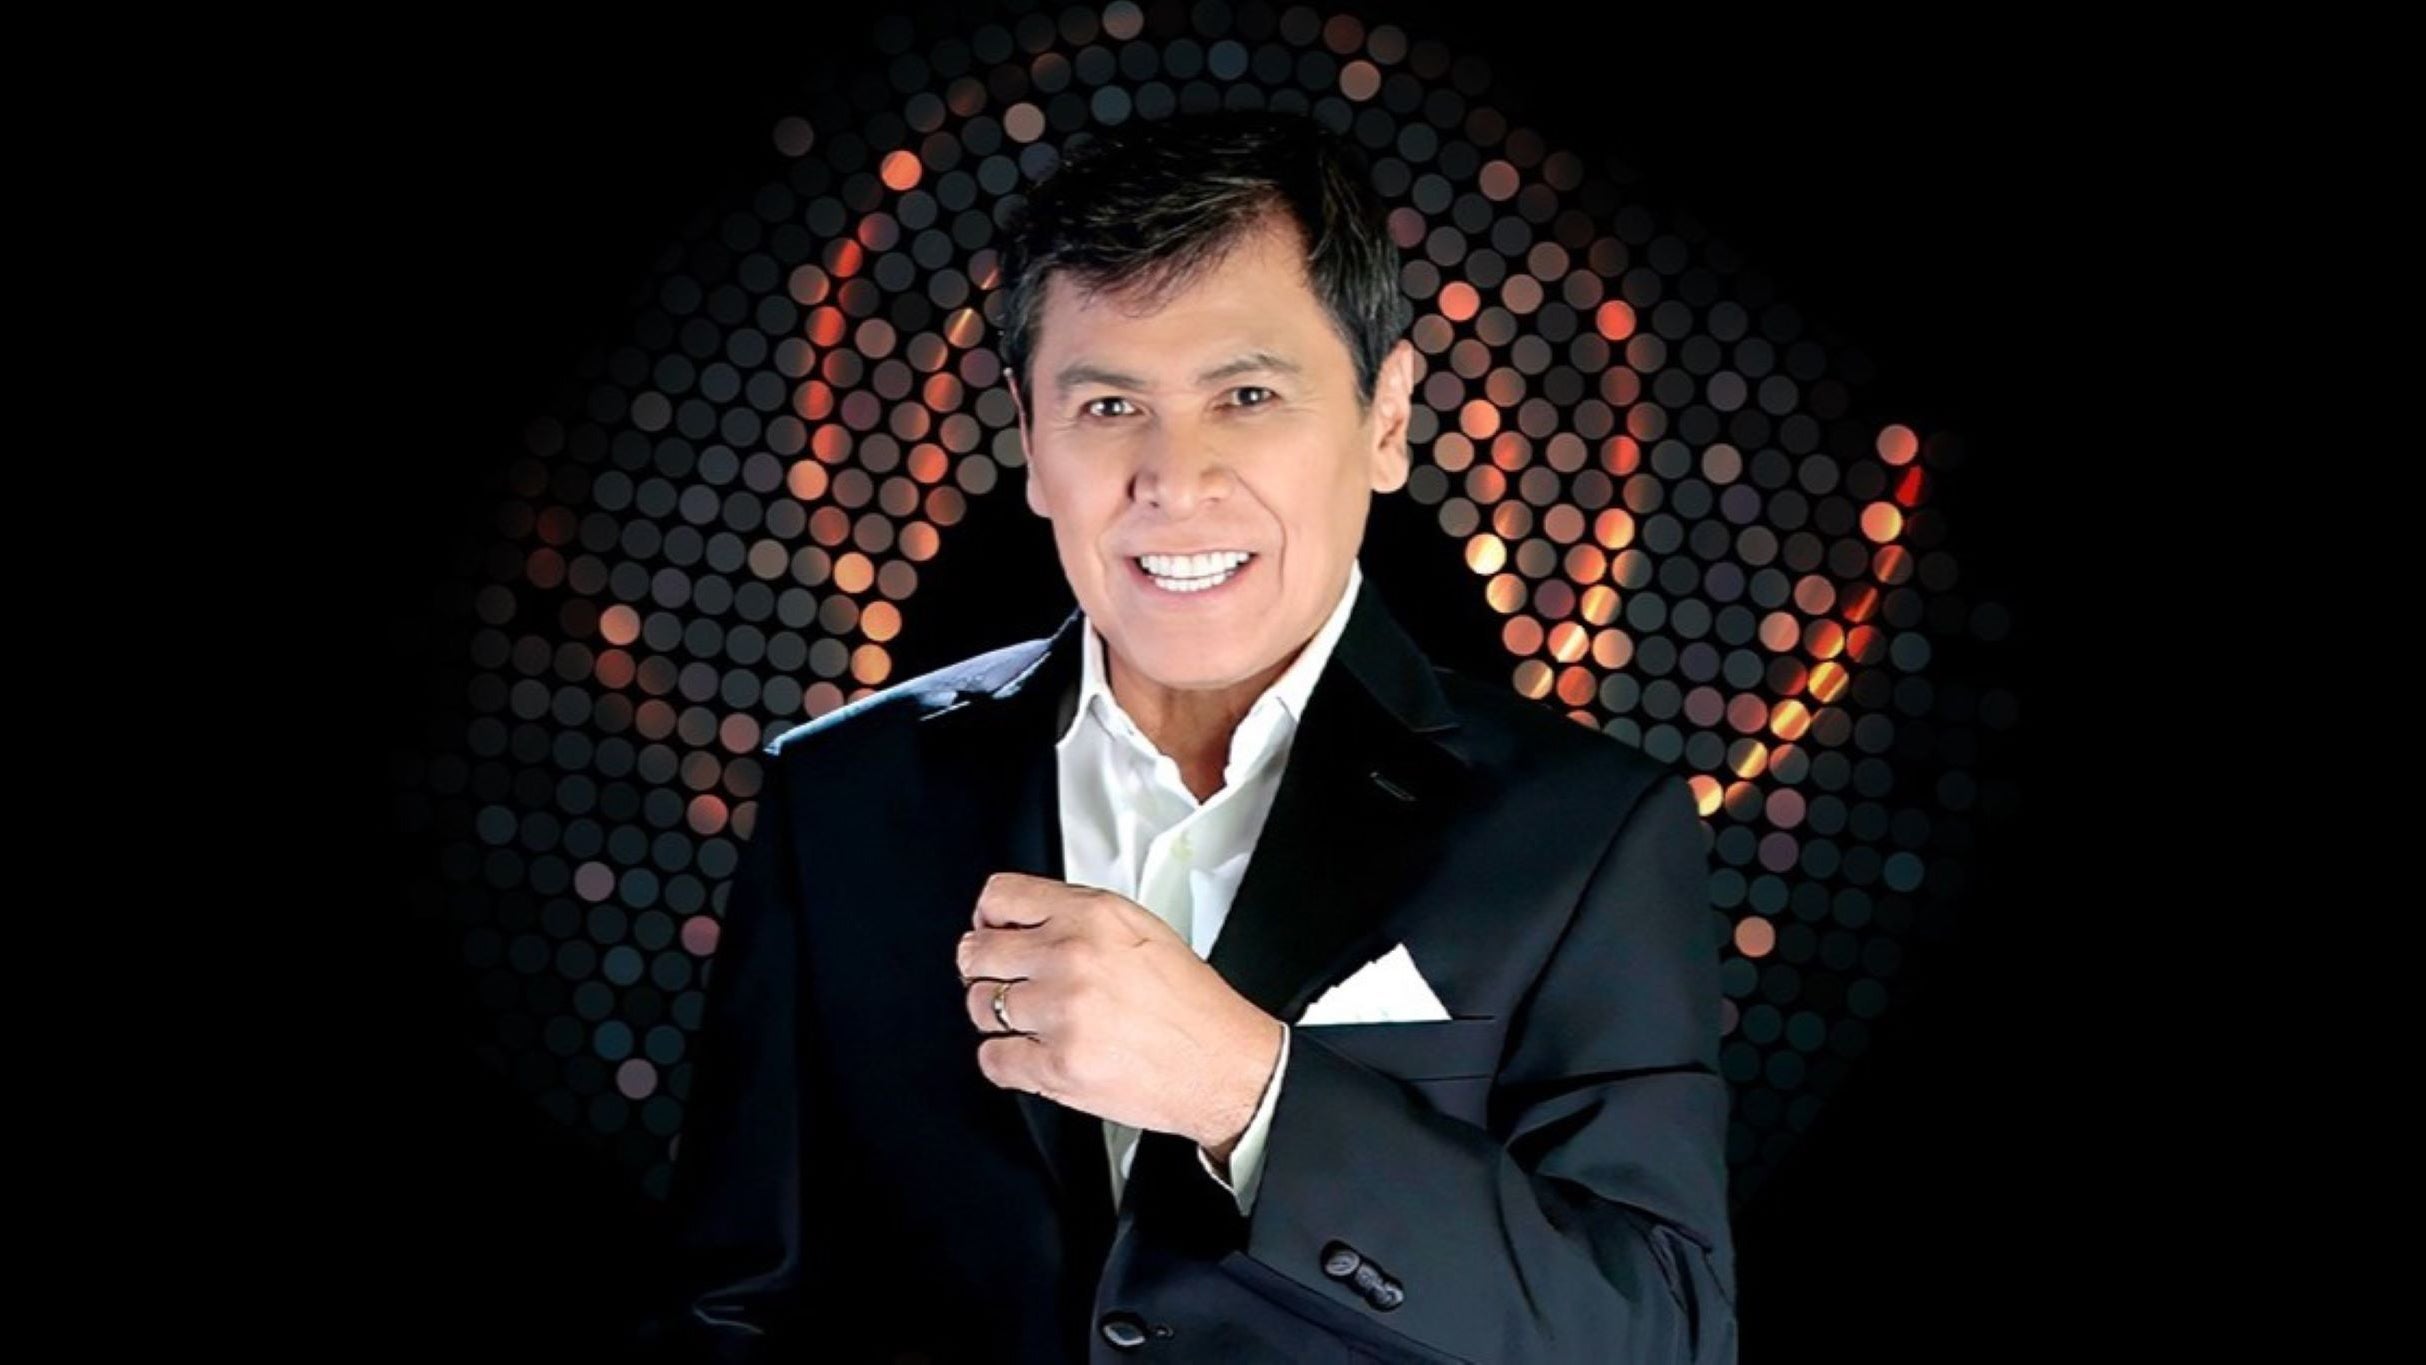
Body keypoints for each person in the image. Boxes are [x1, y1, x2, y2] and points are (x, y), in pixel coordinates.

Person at [639, 107, 1737, 1363]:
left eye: (1246, 395)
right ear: (1030, 438)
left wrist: (1246, 1090)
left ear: (1384, 418)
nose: (1174, 479)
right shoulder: (843, 794)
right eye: (1110, 405)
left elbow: (1658, 1328)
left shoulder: (1589, 832)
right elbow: (731, 1306)